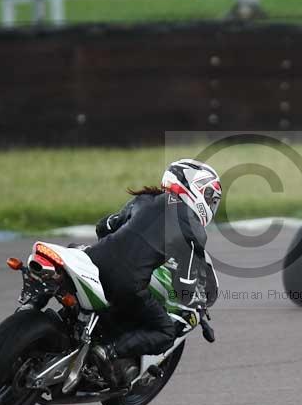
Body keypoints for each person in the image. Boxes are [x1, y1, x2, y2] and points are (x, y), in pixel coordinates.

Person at [86, 159, 222, 389]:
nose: (210, 204)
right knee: (165, 331)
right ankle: (108, 351)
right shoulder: (193, 229)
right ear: (195, 190)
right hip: (126, 283)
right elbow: (185, 283)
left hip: (91, 261)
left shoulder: (144, 199)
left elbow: (104, 227)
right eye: (209, 197)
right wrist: (194, 304)